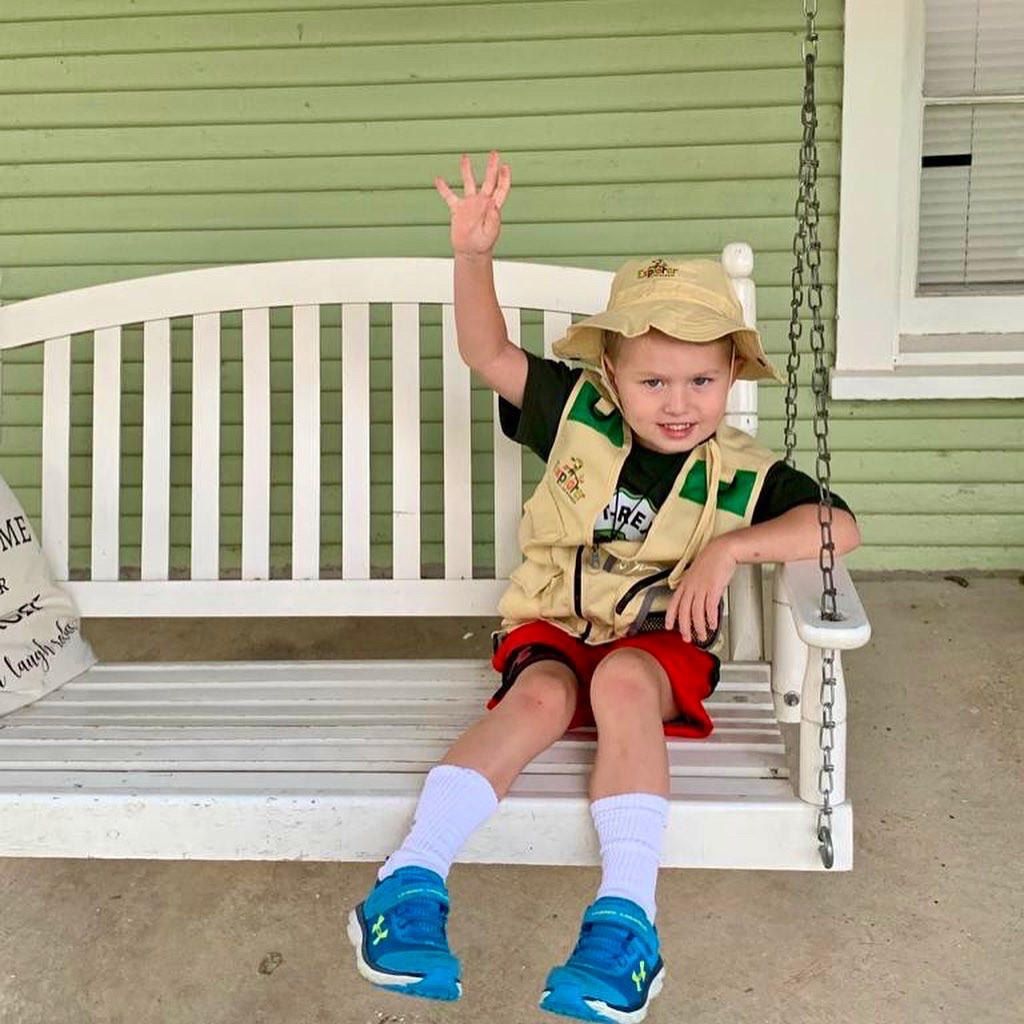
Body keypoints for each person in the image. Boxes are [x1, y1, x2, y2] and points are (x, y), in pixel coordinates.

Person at [346, 151, 861, 1023]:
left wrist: (730, 548)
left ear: (731, 379)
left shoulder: (744, 473)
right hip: (555, 623)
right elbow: (486, 351)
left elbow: (837, 528)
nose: (678, 403)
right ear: (612, 376)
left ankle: (627, 922)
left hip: (655, 648)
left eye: (701, 381)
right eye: (653, 381)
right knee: (539, 697)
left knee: (621, 682)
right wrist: (473, 257)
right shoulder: (574, 410)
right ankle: (408, 881)